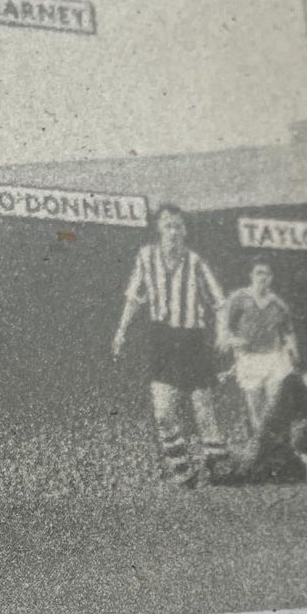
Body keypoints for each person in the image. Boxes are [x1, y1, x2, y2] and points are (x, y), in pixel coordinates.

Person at [112, 204, 227, 487]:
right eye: (167, 226)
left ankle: (218, 466)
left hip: (193, 338)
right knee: (163, 412)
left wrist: (222, 333)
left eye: (178, 226)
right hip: (162, 339)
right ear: (159, 230)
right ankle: (182, 470)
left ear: (185, 231)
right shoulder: (146, 257)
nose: (173, 231)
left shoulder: (195, 262)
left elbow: (219, 302)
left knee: (203, 408)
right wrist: (121, 331)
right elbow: (134, 297)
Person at [222, 260, 297, 440]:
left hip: (274, 358)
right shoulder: (239, 299)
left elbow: (288, 331)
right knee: (257, 409)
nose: (263, 278)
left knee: (275, 406)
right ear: (251, 275)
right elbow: (225, 326)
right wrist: (233, 341)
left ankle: (279, 446)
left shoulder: (278, 304)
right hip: (250, 359)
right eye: (259, 273)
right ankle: (261, 446)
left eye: (267, 274)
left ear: (271, 278)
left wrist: (293, 350)